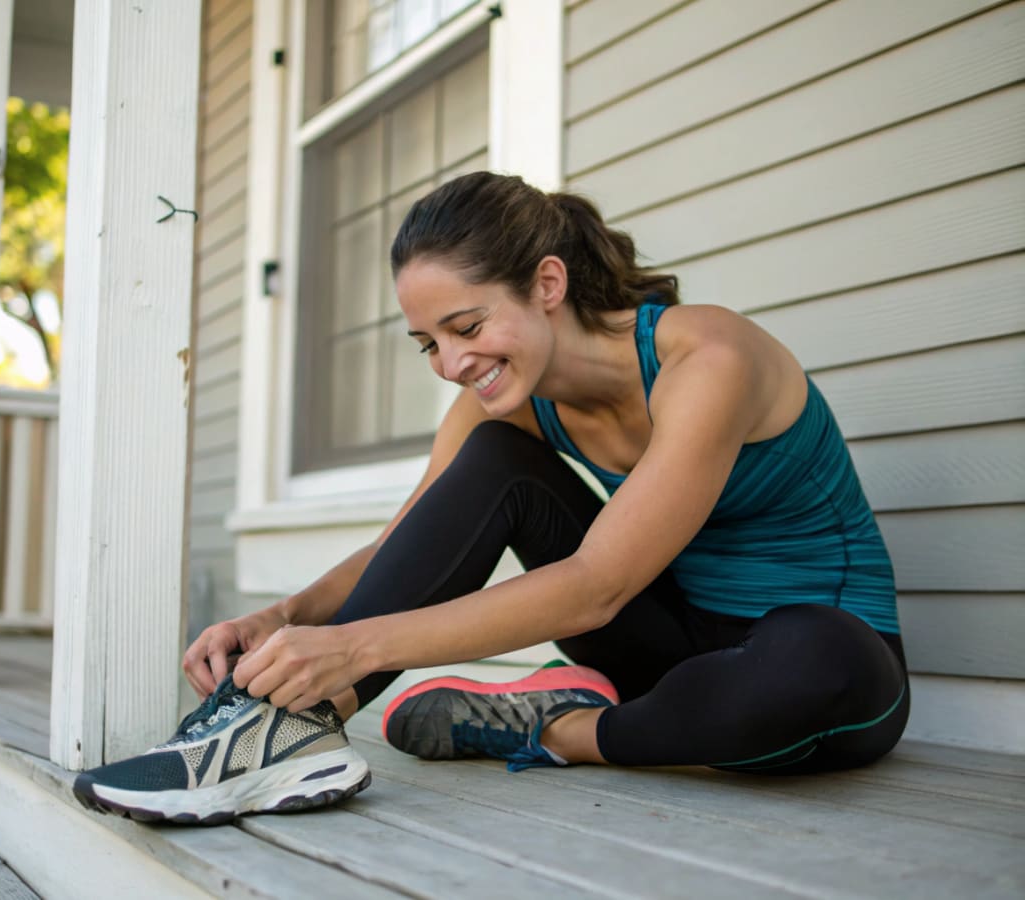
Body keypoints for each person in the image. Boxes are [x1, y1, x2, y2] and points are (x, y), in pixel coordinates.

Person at [73, 172, 908, 823]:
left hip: (820, 650)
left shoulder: (708, 356)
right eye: (427, 343)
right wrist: (286, 620)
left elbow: (598, 584)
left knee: (814, 665)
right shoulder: (505, 401)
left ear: (548, 283)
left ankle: (559, 728)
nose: (449, 362)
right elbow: (410, 542)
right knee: (493, 460)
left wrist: (356, 645)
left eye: (467, 328)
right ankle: (282, 729)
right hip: (672, 651)